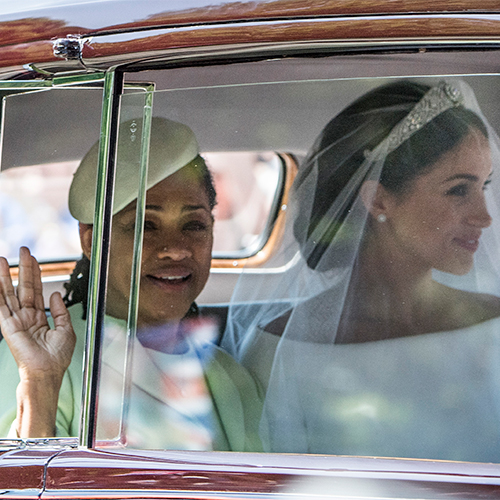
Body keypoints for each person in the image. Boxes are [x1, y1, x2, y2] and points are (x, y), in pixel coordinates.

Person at [222, 79, 500, 461]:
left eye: (485, 186)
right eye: (458, 190)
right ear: (379, 199)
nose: (485, 217)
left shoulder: (495, 326)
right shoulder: (278, 349)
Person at [0, 117, 262, 451]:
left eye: (193, 225)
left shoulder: (230, 377)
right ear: (92, 240)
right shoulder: (42, 358)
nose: (176, 248)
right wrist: (40, 384)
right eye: (145, 226)